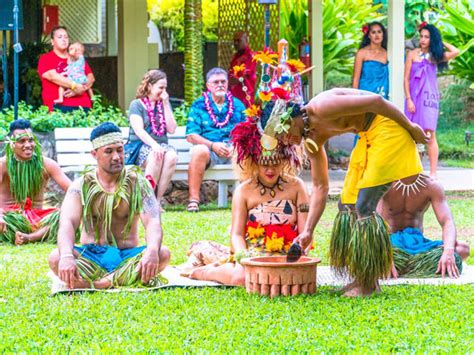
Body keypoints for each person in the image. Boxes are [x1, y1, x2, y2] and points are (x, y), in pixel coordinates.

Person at [259, 88, 429, 297]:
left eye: (282, 135)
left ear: (290, 120)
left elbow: (376, 101)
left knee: (364, 206)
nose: (285, 142)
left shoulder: (321, 107)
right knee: (346, 205)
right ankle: (360, 276)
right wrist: (308, 231)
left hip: (387, 127)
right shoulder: (312, 138)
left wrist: (411, 127)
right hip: (368, 137)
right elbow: (321, 187)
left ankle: (369, 282)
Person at [184, 112, 309, 288]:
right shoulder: (244, 191)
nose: (270, 170)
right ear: (255, 162)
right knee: (242, 279)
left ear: (284, 161)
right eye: (265, 164)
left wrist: (301, 251)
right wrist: (243, 257)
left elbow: (305, 230)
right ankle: (209, 272)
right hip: (253, 254)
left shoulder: (297, 186)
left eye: (275, 164)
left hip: (287, 253)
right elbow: (236, 234)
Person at [48, 122, 170, 290]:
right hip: (91, 256)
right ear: (94, 154)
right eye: (109, 151)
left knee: (162, 253)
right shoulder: (80, 186)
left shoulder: (138, 184)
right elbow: (67, 224)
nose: (116, 157)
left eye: (120, 150)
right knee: (56, 258)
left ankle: (98, 284)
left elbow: (153, 222)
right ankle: (119, 279)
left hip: (127, 255)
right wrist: (67, 256)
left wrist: (151, 250)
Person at [377, 173, 470, 278]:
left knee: (462, 249)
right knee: (366, 254)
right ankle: (410, 265)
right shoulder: (383, 184)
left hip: (418, 246)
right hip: (390, 245)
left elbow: (447, 221)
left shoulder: (431, 186)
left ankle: (402, 266)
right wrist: (384, 253)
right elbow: (374, 222)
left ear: (421, 156)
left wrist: (448, 251)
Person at [0, 119, 71, 245]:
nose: (28, 145)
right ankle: (21, 235)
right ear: (11, 144)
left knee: (64, 217)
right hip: (8, 218)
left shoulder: (47, 164)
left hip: (38, 221)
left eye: (31, 140)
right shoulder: (2, 165)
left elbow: (73, 190)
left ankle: (29, 237)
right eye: (22, 141)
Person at [185, 67, 246, 212]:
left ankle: (249, 201)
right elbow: (191, 135)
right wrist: (212, 145)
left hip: (233, 151)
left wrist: (235, 146)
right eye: (216, 82)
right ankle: (194, 200)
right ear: (208, 86)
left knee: (248, 151)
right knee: (199, 150)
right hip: (209, 151)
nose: (220, 85)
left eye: (223, 81)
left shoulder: (238, 105)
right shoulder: (199, 105)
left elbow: (246, 131)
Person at [404, 23, 460, 179]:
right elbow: (406, 78)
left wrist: (439, 41)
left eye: (427, 37)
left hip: (429, 99)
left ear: (432, 39)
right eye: (421, 36)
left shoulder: (436, 56)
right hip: (413, 98)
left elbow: (456, 51)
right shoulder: (412, 54)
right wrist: (408, 99)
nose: (423, 39)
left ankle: (433, 173)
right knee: (414, 135)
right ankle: (415, 170)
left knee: (430, 134)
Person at [124, 69, 178, 207]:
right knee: (156, 155)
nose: (164, 91)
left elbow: (171, 129)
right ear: (149, 86)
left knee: (171, 156)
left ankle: (157, 200)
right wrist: (154, 145)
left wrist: (166, 104)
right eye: (161, 87)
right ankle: (147, 199)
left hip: (162, 146)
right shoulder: (136, 105)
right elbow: (139, 130)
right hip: (141, 146)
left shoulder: (163, 104)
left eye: (165, 88)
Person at [38, 26, 95, 113]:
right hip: (59, 107)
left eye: (66, 37)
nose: (64, 39)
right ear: (52, 42)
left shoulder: (77, 58)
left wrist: (80, 90)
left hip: (83, 105)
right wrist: (74, 86)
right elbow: (53, 77)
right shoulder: (45, 58)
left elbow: (90, 77)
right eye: (60, 37)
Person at [352, 22, 389, 99]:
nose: (377, 35)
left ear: (383, 34)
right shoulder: (361, 53)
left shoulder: (387, 53)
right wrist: (354, 98)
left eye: (379, 32)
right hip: (364, 94)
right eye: (373, 32)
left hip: (382, 95)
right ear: (369, 35)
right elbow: (356, 78)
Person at [228, 31, 257, 107]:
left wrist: (224, 84)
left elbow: (241, 77)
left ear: (246, 40)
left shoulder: (250, 56)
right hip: (234, 97)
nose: (236, 43)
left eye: (239, 40)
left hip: (244, 98)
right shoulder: (236, 56)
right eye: (234, 41)